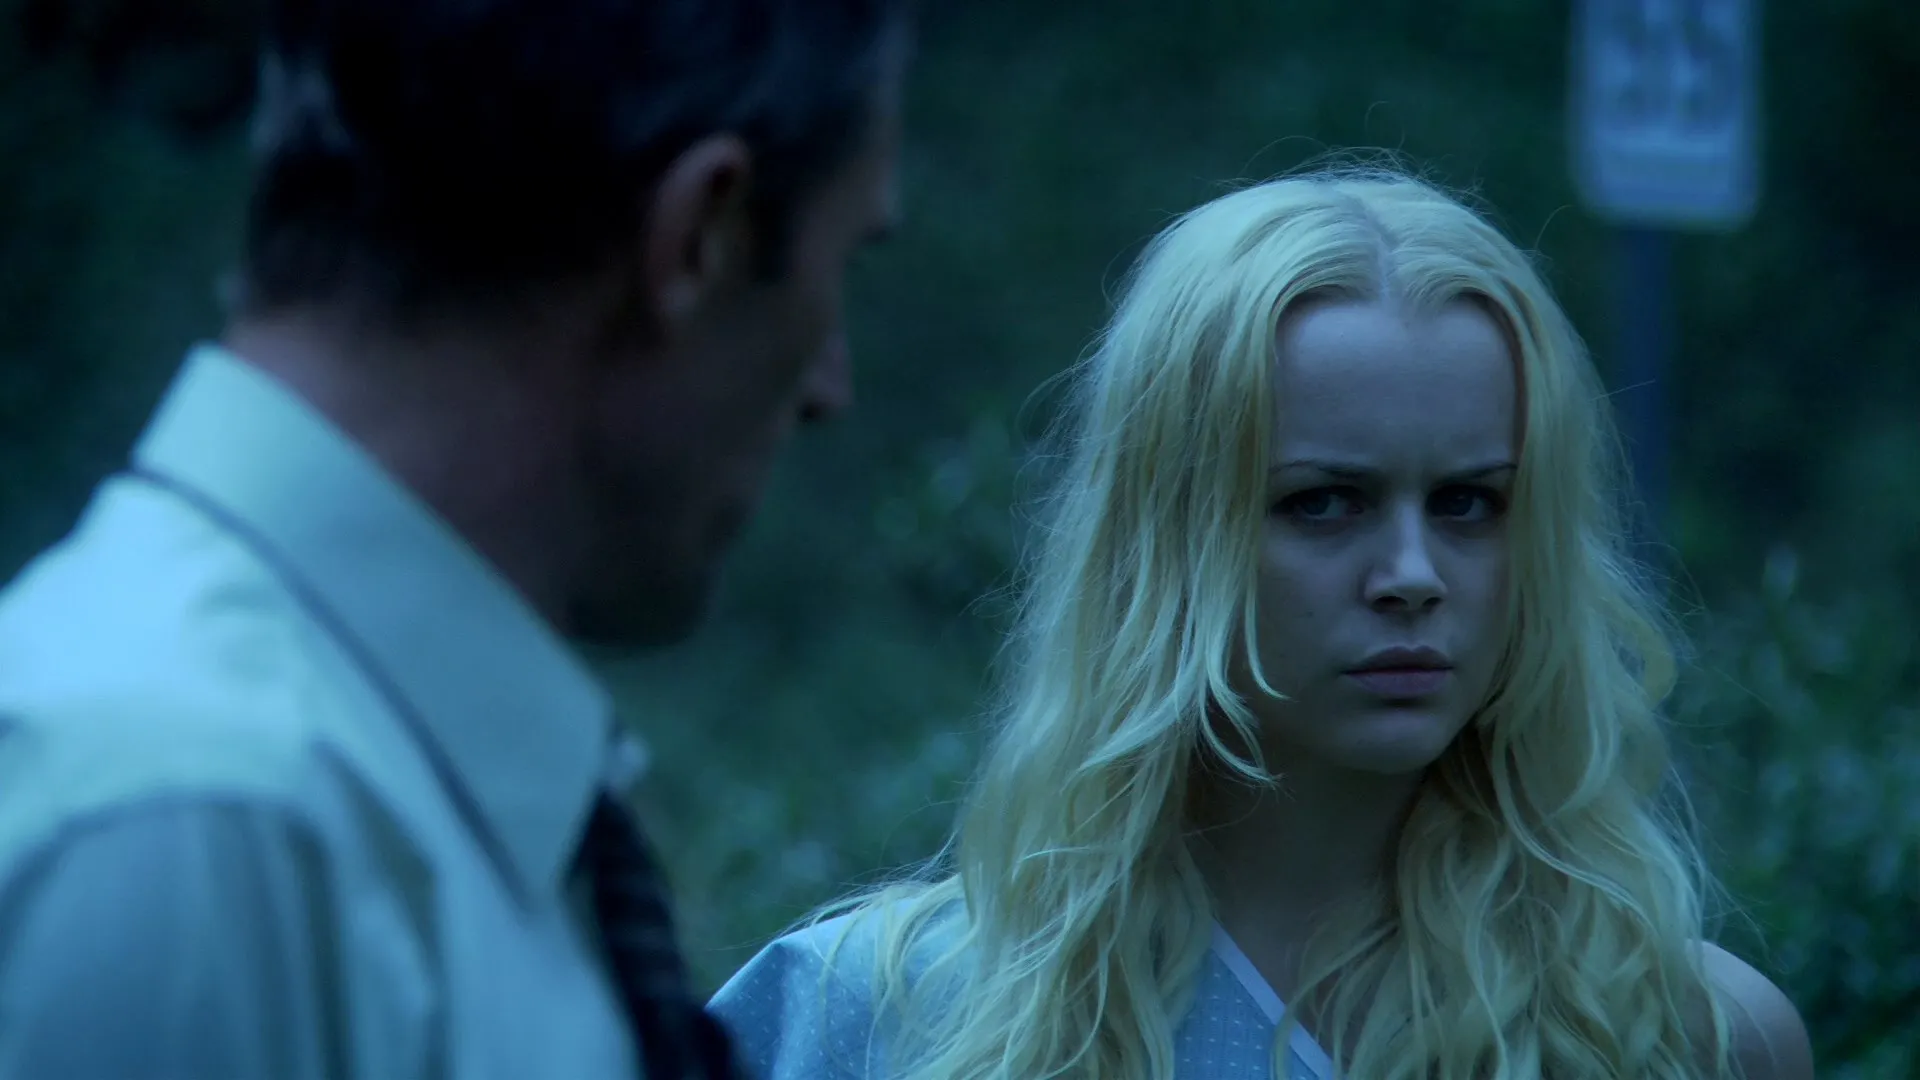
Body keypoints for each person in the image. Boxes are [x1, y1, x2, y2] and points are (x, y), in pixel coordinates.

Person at [706, 169, 1815, 1080]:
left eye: (1470, 503)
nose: (1412, 576)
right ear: (1169, 538)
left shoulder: (1680, 1036)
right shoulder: (868, 1018)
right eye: (1323, 502)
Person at [0, 1, 907, 1077]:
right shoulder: (189, 830)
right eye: (840, 268)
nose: (829, 387)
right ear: (698, 239)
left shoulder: (332, 801)